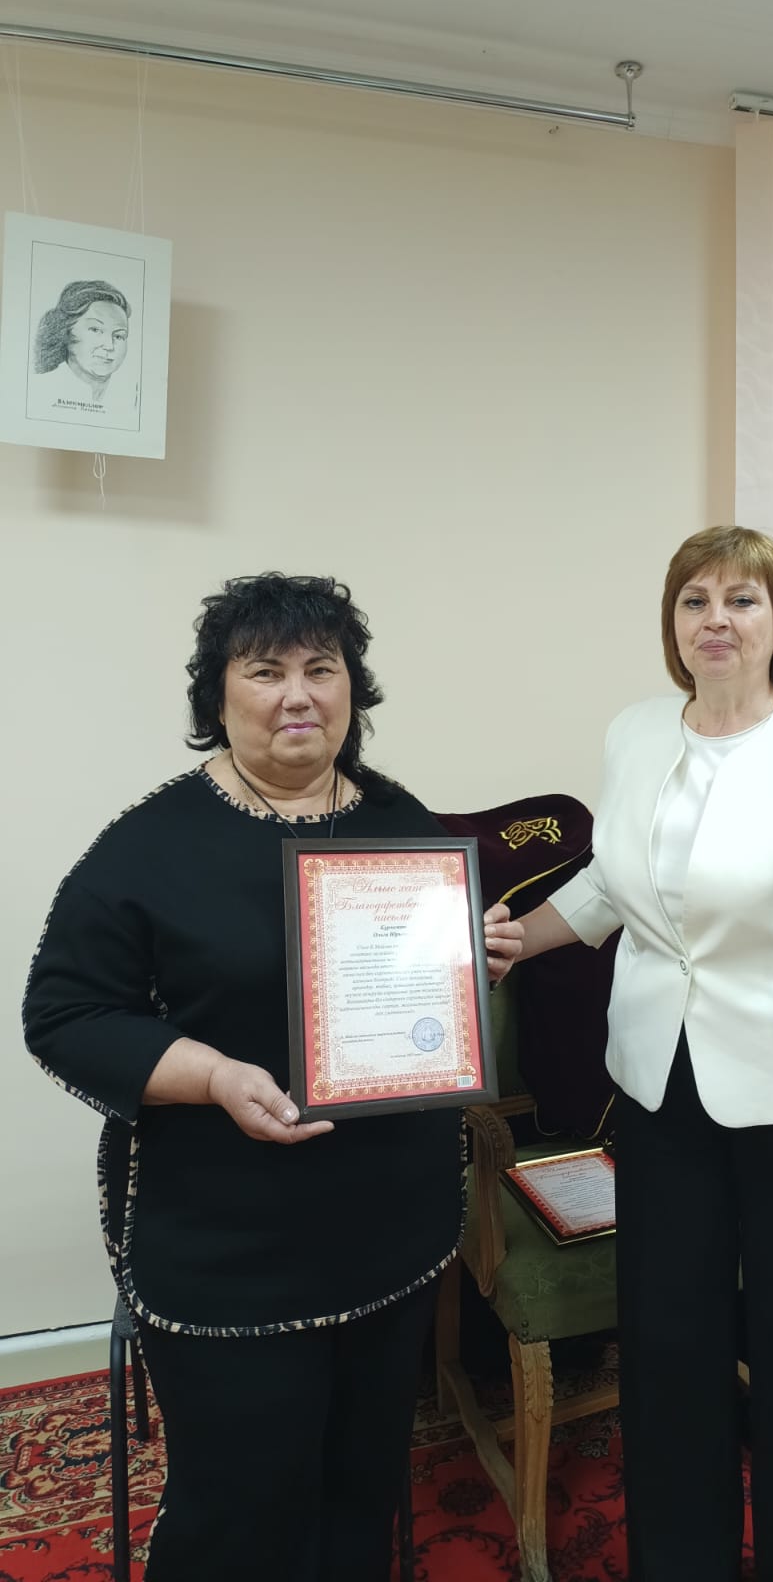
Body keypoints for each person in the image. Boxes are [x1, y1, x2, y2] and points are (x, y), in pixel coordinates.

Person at [23, 573, 523, 1582]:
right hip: (229, 1245)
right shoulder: (151, 845)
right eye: (265, 671)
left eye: (320, 668)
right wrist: (211, 1075)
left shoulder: (398, 818)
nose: (298, 694)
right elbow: (66, 1014)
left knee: (362, 1483)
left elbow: (419, 994)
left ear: (352, 689)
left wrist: (475, 959)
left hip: (389, 1232)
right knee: (242, 1505)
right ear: (218, 695)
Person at [517, 525, 773, 1582]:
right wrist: (517, 939)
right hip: (661, 1091)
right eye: (695, 600)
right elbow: (613, 882)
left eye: (742, 600)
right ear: (673, 623)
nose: (716, 620)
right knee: (668, 1350)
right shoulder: (637, 731)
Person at [28, 279, 132, 417]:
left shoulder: (130, 400)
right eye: (95, 330)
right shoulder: (37, 389)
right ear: (66, 331)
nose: (109, 346)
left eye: (118, 336)